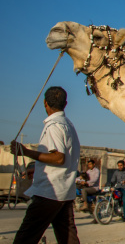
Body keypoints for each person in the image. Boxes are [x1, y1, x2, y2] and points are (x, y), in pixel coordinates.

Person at [10, 86, 81, 244]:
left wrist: (26, 152)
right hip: (64, 192)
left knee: (26, 237)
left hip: (50, 193)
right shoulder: (68, 124)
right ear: (66, 103)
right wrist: (38, 169)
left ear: (45, 103)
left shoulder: (54, 125)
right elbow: (63, 160)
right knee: (68, 237)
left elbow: (58, 158)